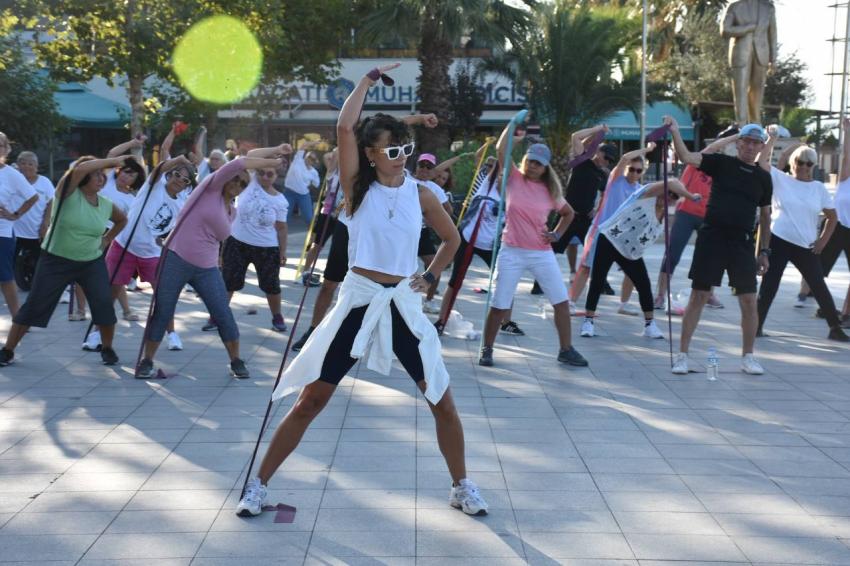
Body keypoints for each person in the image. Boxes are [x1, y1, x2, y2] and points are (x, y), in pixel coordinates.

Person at [237, 63, 488, 519]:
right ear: (371, 154)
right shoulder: (357, 190)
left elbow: (452, 240)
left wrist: (430, 275)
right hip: (358, 298)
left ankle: (461, 485)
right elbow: (343, 126)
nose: (402, 154)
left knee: (441, 399)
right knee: (311, 399)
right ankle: (257, 485)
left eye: (406, 147)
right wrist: (368, 80)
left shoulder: (423, 193)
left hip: (402, 305)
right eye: (392, 148)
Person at [135, 151, 284, 379]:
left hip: (206, 268)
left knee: (223, 313)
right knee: (163, 311)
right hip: (176, 259)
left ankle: (236, 361)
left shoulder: (231, 211)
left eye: (243, 183)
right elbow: (240, 162)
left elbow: (216, 239)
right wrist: (273, 161)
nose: (238, 184)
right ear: (227, 178)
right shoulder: (209, 190)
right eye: (235, 179)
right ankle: (147, 361)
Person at [665, 117, 773, 375]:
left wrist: (765, 252)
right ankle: (682, 356)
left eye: (755, 143)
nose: (749, 146)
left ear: (760, 147)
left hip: (743, 243)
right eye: (745, 141)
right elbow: (687, 157)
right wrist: (676, 132)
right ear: (738, 144)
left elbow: (766, 216)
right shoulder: (722, 163)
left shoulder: (763, 178)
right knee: (699, 296)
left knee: (748, 300)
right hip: (712, 237)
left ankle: (748, 357)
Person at [0, 155, 131, 367]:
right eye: (96, 174)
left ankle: (107, 348)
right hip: (55, 261)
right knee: (34, 306)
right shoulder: (66, 193)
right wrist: (111, 160)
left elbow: (122, 220)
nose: (101, 178)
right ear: (83, 178)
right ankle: (8, 350)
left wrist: (107, 238)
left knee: (104, 305)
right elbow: (78, 170)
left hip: (91, 262)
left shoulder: (106, 204)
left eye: (102, 175)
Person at [478, 126, 588, 368]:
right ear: (525, 161)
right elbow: (500, 149)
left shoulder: (551, 191)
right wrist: (513, 133)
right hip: (512, 251)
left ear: (546, 166)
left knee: (561, 302)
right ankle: (486, 349)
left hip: (541, 253)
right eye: (530, 161)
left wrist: (556, 234)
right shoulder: (514, 178)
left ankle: (566, 349)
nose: (533, 166)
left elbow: (568, 213)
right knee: (499, 304)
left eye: (538, 163)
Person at [85, 156, 193, 354]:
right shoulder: (154, 185)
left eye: (185, 179)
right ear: (170, 175)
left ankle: (171, 334)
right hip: (124, 245)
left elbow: (172, 230)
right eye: (177, 174)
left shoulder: (183, 203)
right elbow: (161, 168)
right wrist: (180, 159)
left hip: (151, 254)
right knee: (111, 293)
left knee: (163, 296)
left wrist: (164, 241)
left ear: (187, 185)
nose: (179, 180)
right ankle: (97, 333)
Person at [580, 165, 701, 339]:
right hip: (609, 240)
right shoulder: (645, 195)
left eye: (673, 197)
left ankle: (650, 325)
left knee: (644, 285)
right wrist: (691, 196)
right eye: (667, 193)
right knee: (597, 282)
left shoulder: (663, 216)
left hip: (630, 252)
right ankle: (588, 321)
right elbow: (673, 181)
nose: (668, 198)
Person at [755, 130, 849, 341]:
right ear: (792, 162)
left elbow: (832, 217)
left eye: (808, 163)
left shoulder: (818, 188)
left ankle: (835, 328)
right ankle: (757, 326)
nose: (803, 167)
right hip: (779, 241)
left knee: (818, 285)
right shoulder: (780, 179)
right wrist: (772, 139)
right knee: (770, 285)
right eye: (800, 161)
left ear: (814, 166)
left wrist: (823, 241)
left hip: (805, 245)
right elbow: (761, 161)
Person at [653, 129, 740, 312]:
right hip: (686, 212)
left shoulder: (726, 166)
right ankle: (660, 295)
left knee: (711, 258)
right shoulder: (701, 159)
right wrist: (736, 136)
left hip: (708, 216)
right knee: (672, 255)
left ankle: (709, 294)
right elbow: (715, 146)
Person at [435, 159, 516, 335]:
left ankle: (506, 322)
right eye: (499, 174)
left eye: (505, 176)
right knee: (455, 281)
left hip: (491, 246)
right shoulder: (487, 185)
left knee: (506, 281)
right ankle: (441, 321)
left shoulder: (512, 196)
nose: (501, 177)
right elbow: (500, 155)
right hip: (468, 239)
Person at [220, 143, 293, 332]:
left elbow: (282, 228)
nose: (265, 177)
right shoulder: (250, 182)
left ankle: (277, 317)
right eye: (262, 172)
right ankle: (218, 316)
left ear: (276, 176)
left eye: (270, 174)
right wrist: (276, 154)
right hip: (237, 242)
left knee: (271, 286)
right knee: (228, 281)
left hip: (266, 247)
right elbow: (251, 154)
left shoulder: (280, 200)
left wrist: (282, 252)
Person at [98, 137, 147, 321]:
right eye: (125, 172)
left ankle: (126, 311)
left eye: (131, 175)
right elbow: (112, 154)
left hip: (111, 238)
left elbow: (128, 224)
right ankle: (79, 309)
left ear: (135, 180)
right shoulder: (108, 179)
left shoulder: (132, 200)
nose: (126, 176)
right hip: (91, 230)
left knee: (113, 276)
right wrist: (132, 144)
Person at [0, 133, 39, 317]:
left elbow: (33, 197)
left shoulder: (12, 174)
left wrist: (14, 215)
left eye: (1, 145)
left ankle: (18, 318)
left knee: (5, 278)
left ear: (6, 149)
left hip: (2, 233)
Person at [412, 152, 454, 314]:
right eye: (421, 165)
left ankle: (429, 300)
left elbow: (448, 210)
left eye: (428, 166)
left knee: (434, 266)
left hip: (421, 232)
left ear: (432, 171)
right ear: (416, 166)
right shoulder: (406, 178)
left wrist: (431, 221)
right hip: (402, 233)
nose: (424, 169)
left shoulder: (435, 188)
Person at [819, 118, 850, 327]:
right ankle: (823, 306)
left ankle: (847, 314)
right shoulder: (846, 179)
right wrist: (847, 131)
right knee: (818, 270)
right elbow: (847, 156)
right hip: (836, 227)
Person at [12, 151, 55, 293]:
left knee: (40, 261)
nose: (27, 166)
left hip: (36, 229)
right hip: (15, 229)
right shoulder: (14, 179)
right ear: (18, 165)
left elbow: (51, 202)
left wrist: (46, 223)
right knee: (8, 260)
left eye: (30, 164)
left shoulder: (44, 182)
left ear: (36, 167)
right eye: (23, 163)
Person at [283, 140, 321, 229]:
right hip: (289, 193)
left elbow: (317, 184)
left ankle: (312, 239)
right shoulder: (298, 160)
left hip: (303, 195)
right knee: (284, 217)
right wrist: (313, 143)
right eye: (308, 156)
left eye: (312, 159)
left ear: (314, 161)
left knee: (309, 218)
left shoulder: (314, 172)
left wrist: (308, 185)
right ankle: (278, 240)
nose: (309, 159)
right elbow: (303, 145)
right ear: (305, 156)